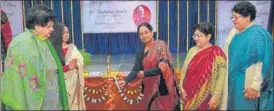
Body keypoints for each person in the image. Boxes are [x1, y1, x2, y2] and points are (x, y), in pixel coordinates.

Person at [0, 5, 69, 110]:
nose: (52, 29)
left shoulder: (45, 42)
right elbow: (15, 80)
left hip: (52, 104)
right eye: (48, 26)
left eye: (52, 26)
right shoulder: (20, 44)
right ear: (37, 25)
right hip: (31, 104)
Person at [118, 22, 180, 110]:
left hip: (163, 86)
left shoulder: (160, 45)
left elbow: (163, 67)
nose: (144, 35)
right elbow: (136, 68)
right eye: (141, 34)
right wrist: (126, 80)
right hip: (149, 87)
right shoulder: (140, 50)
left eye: (146, 32)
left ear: (151, 32)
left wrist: (145, 73)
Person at [225, 1, 273, 110]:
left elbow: (262, 63)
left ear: (248, 17)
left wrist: (255, 86)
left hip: (248, 85)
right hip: (233, 82)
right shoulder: (234, 32)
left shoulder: (258, 34)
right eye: (232, 17)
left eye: (236, 17)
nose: (233, 20)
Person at [179, 22, 227, 110]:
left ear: (208, 36)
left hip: (206, 98)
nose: (196, 38)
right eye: (194, 36)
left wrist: (216, 96)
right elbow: (184, 71)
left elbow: (221, 77)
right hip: (187, 94)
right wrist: (181, 87)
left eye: (199, 35)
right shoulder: (192, 50)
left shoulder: (217, 52)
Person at [50, 23, 86, 110]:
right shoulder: (52, 50)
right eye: (63, 33)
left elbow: (80, 62)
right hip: (59, 85)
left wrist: (76, 65)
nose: (66, 35)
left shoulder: (72, 48)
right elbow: (51, 69)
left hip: (73, 85)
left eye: (67, 32)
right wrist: (68, 67)